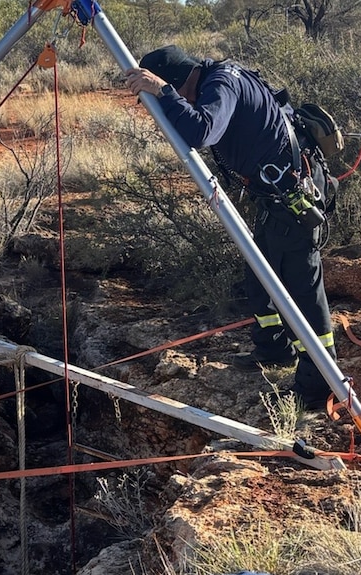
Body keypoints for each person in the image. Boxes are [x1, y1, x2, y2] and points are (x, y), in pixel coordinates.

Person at [125, 45, 338, 410]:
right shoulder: (221, 77)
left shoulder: (220, 84)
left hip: (292, 193)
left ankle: (320, 381)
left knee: (300, 284)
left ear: (182, 80)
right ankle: (273, 349)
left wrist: (163, 93)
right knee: (259, 274)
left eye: (174, 91)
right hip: (276, 193)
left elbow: (202, 131)